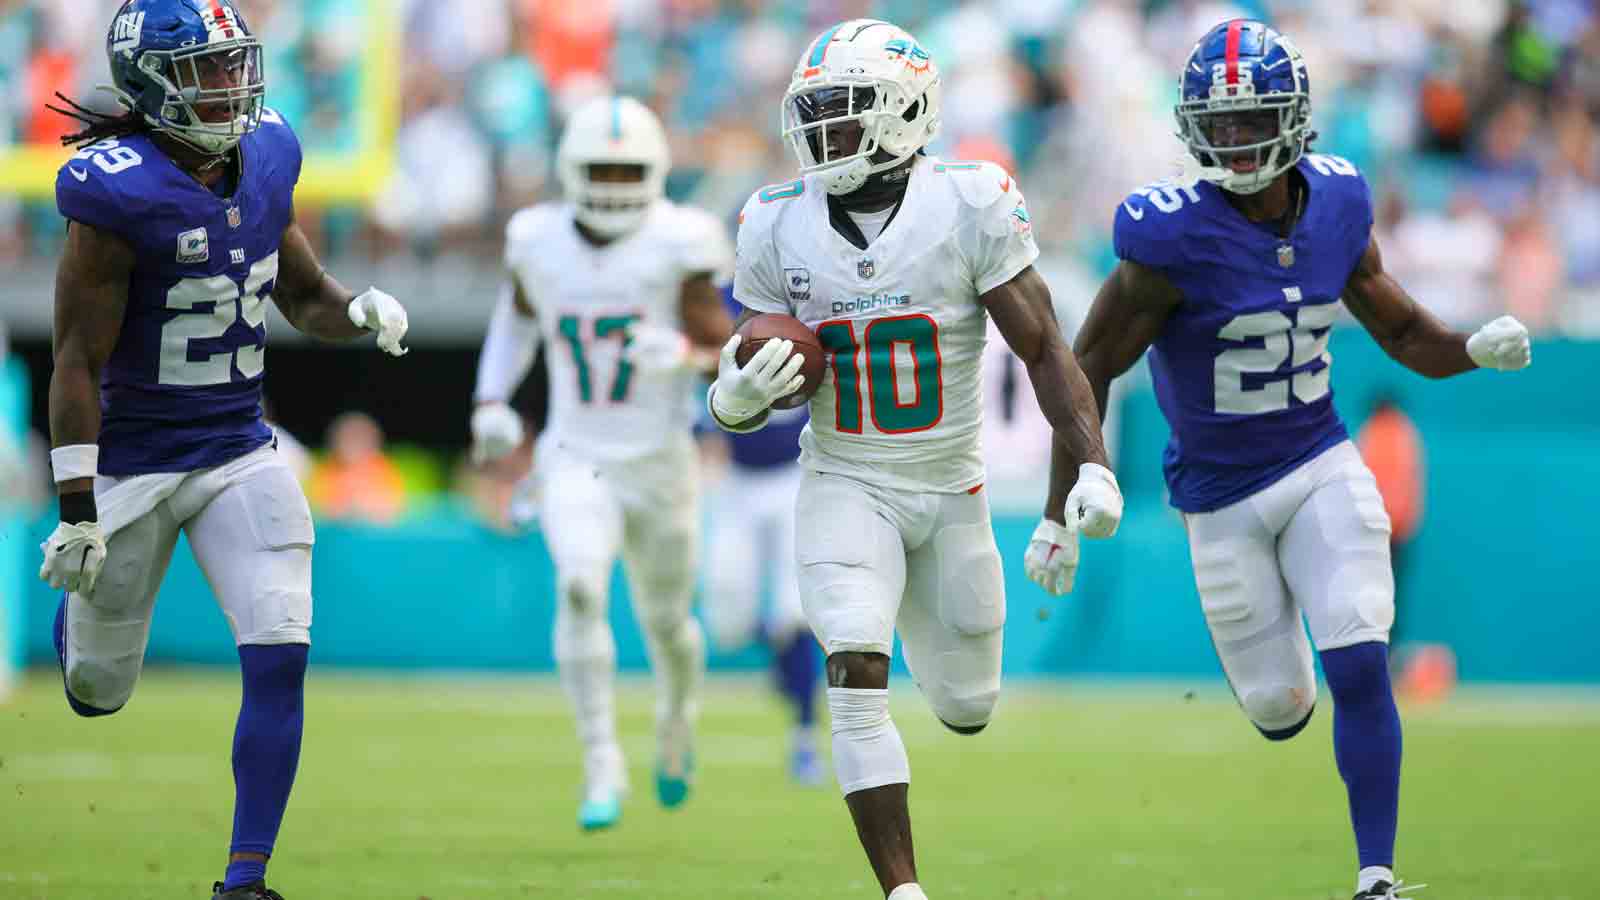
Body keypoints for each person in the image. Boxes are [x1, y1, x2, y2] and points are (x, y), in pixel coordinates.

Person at [1071, 20, 1531, 900]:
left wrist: (1472, 347)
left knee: (1360, 653)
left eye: (1253, 120)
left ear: (1295, 119)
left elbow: (1400, 330)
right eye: (1222, 121)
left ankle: (1377, 876)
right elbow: (1084, 366)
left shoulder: (1341, 202)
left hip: (1320, 461)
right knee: (1281, 712)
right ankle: (1296, 700)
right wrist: (1067, 501)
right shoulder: (1169, 236)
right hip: (1217, 496)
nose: (1237, 139)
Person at [709, 20, 1121, 899]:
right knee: (854, 660)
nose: (823, 133)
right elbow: (748, 356)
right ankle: (904, 890)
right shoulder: (775, 223)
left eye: (844, 112)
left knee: (967, 707)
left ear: (903, 114)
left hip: (950, 488)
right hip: (843, 478)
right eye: (814, 113)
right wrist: (732, 399)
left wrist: (1090, 463)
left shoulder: (969, 202)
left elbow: (1047, 349)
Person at [37, 2, 410, 898]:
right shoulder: (114, 193)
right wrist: (77, 509)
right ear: (152, 85)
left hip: (238, 447)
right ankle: (78, 633)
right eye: (206, 71)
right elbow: (77, 358)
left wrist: (355, 311)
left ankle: (245, 880)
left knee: (282, 640)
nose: (231, 85)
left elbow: (304, 292)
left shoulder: (267, 153)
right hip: (131, 461)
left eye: (234, 63)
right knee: (98, 689)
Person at [469, 95, 734, 832]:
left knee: (668, 621)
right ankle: (600, 760)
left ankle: (677, 718)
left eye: (628, 169)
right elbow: (516, 319)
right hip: (575, 452)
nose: (615, 183)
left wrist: (687, 355)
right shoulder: (536, 239)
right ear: (570, 170)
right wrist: (490, 399)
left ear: (655, 173)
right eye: (601, 169)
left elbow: (734, 358)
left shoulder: (682, 241)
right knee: (580, 586)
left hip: (659, 459)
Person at [701, 333, 822, 785]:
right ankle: (777, 651)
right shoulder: (720, 298)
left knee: (796, 614)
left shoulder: (814, 295)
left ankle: (805, 738)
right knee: (726, 618)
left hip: (796, 475)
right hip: (735, 480)